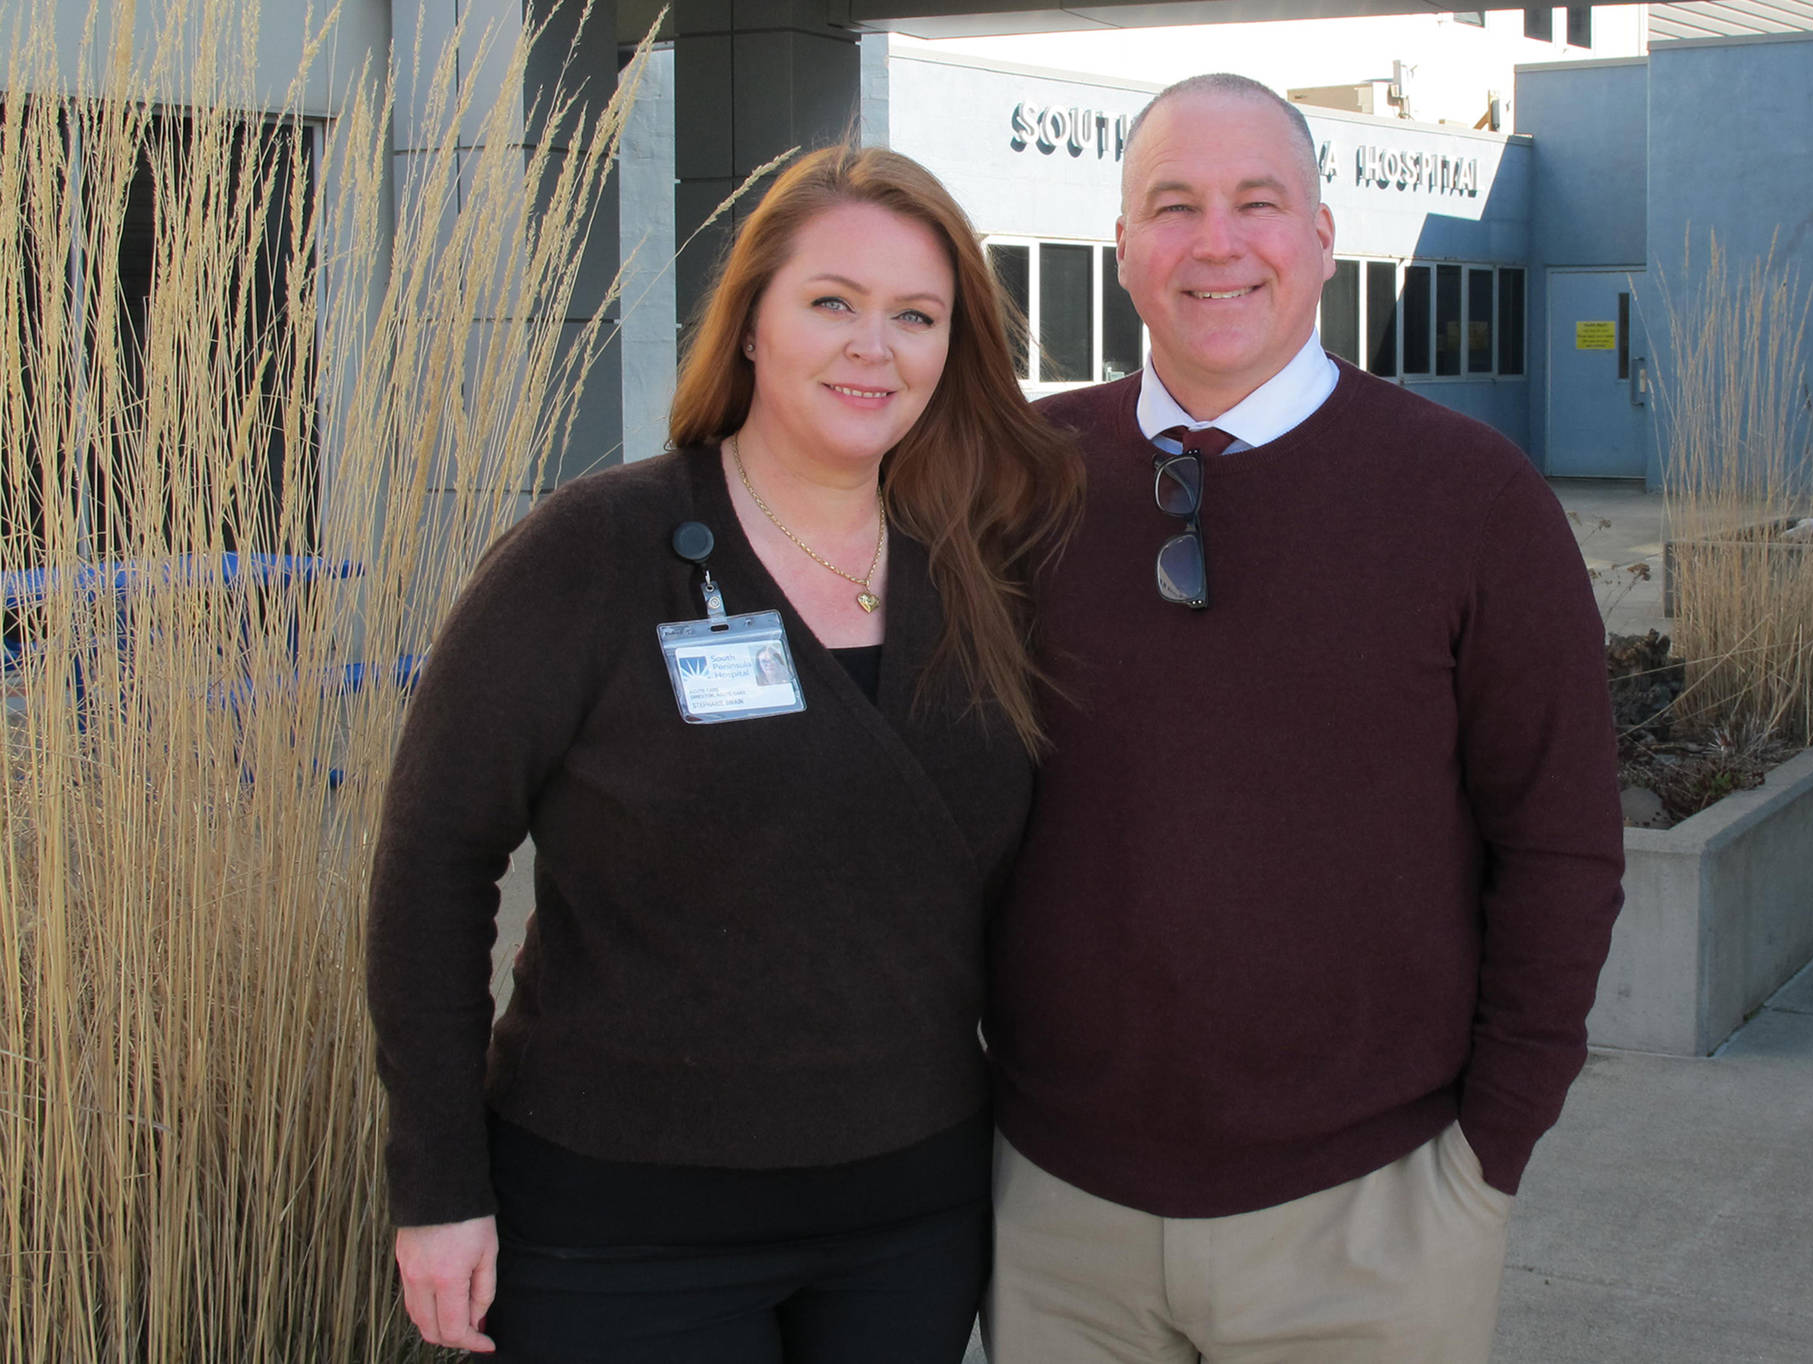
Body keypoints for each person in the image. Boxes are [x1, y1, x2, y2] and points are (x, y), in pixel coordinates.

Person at [366, 144, 1081, 1362]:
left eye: (915, 316)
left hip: (907, 1223)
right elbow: (434, 863)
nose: (875, 346)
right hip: (620, 1233)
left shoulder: (983, 574)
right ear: (749, 322)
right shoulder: (592, 554)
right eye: (830, 303)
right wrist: (437, 1186)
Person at [982, 74, 1625, 1363]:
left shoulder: (1470, 498)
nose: (1215, 242)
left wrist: (1485, 1156)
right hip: (1056, 1215)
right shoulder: (1016, 480)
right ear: (1123, 249)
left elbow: (1559, 843)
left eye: (1255, 203)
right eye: (1172, 206)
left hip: (1373, 1221)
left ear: (1322, 239)